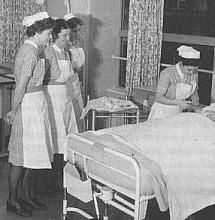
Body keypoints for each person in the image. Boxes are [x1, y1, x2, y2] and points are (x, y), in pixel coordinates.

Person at [5, 12, 55, 217]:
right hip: (27, 107)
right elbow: (21, 87)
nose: (50, 37)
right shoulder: (29, 52)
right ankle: (12, 200)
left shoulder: (37, 51)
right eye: (49, 33)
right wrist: (13, 110)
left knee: (34, 155)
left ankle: (26, 196)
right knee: (19, 158)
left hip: (37, 105)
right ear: (38, 32)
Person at [44, 19, 78, 193]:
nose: (67, 38)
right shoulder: (49, 51)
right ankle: (52, 180)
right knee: (55, 137)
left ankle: (64, 176)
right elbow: (50, 76)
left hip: (65, 96)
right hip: (53, 96)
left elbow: (71, 73)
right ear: (55, 35)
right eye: (64, 35)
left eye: (68, 35)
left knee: (67, 135)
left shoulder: (66, 52)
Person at [148, 45, 202, 120]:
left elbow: (194, 93)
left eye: (195, 70)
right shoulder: (167, 73)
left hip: (178, 111)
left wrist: (196, 107)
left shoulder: (194, 74)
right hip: (162, 112)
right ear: (181, 63)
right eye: (189, 70)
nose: (191, 73)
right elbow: (158, 97)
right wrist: (178, 103)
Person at [64, 13, 86, 132]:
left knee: (78, 109)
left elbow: (81, 64)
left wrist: (80, 80)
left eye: (79, 30)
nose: (77, 34)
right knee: (68, 111)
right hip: (67, 80)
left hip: (77, 78)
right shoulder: (64, 45)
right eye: (74, 31)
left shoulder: (80, 41)